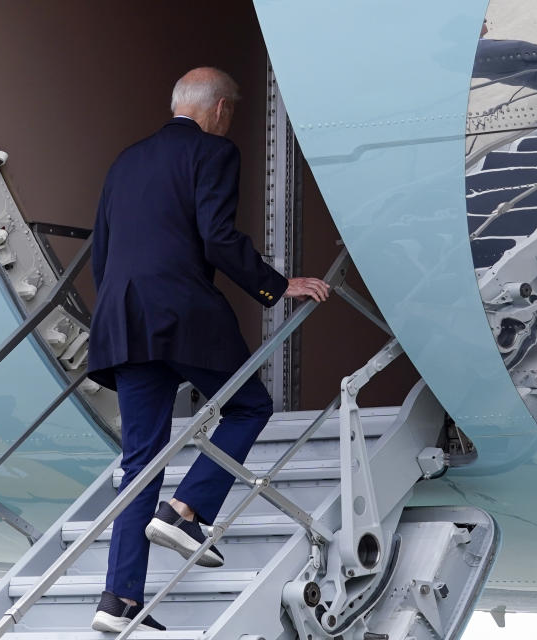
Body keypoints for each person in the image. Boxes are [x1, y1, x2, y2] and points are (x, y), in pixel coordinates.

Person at [86, 67, 330, 633]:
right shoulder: (214, 153)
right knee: (249, 407)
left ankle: (117, 599)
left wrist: (119, 313)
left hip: (123, 321)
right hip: (182, 313)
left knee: (139, 462)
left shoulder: (125, 161)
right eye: (233, 112)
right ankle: (187, 510)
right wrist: (277, 285)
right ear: (219, 109)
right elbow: (218, 238)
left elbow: (103, 254)